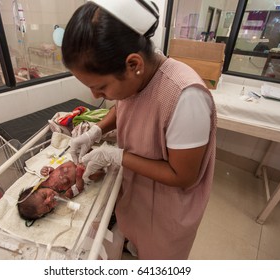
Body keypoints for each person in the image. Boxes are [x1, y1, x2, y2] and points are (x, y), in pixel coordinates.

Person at [61, 0, 217, 259]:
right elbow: (124, 107)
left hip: (168, 208)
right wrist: (96, 131)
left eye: (101, 87)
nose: (95, 95)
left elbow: (183, 175)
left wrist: (115, 155)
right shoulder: (136, 80)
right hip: (138, 193)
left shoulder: (185, 96)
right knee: (134, 240)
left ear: (133, 65)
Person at [17, 161, 104, 221]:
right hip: (83, 172)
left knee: (81, 145)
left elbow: (53, 172)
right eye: (48, 206)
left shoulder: (44, 182)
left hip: (76, 159)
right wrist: (79, 175)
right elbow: (78, 188)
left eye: (44, 196)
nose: (50, 199)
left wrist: (48, 170)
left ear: (37, 188)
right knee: (94, 175)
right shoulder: (63, 195)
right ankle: (105, 169)